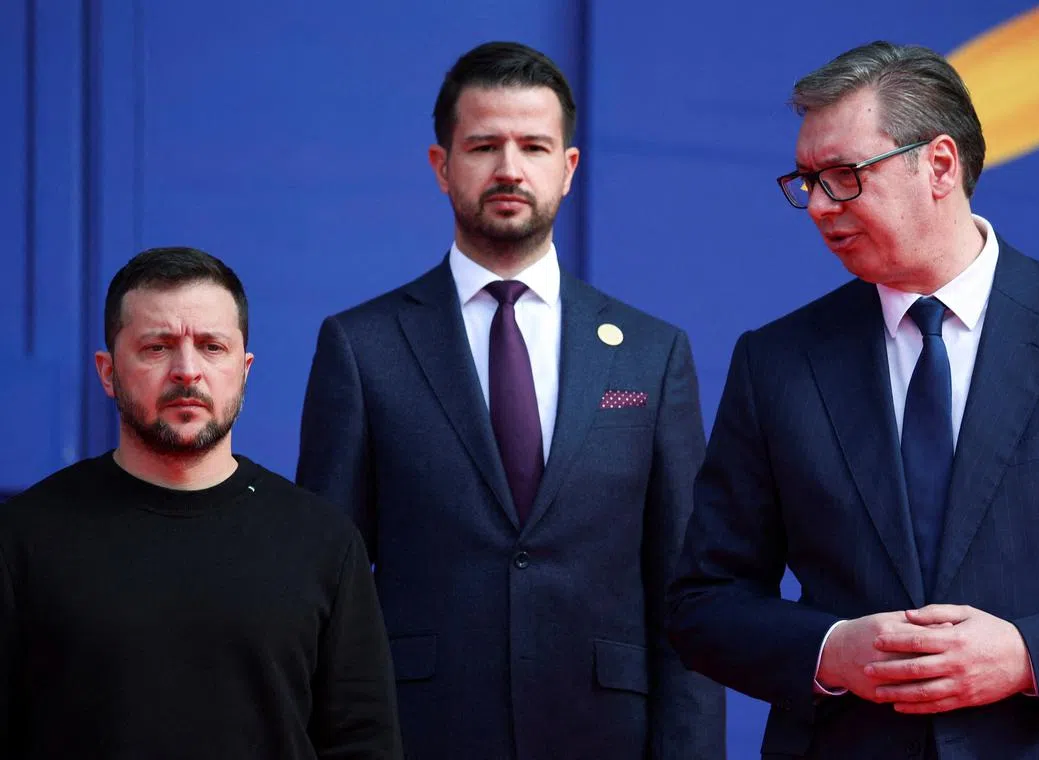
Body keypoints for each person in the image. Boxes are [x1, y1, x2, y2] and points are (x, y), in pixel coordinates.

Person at [666, 41, 1039, 758]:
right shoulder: (777, 362)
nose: (820, 207)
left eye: (844, 176)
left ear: (940, 166)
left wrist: (1028, 656)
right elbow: (703, 602)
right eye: (806, 181)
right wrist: (830, 649)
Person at [297, 41, 724, 760]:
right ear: (441, 166)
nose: (509, 168)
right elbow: (322, 592)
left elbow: (686, 593)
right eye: (483, 146)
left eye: (533, 145)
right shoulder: (361, 347)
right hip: (421, 734)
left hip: (605, 737)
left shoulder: (653, 354)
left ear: (569, 168)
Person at [0, 247, 403, 759]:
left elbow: (365, 742)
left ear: (244, 368)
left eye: (212, 347)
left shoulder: (323, 541)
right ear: (107, 372)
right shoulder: (24, 539)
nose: (187, 371)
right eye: (157, 347)